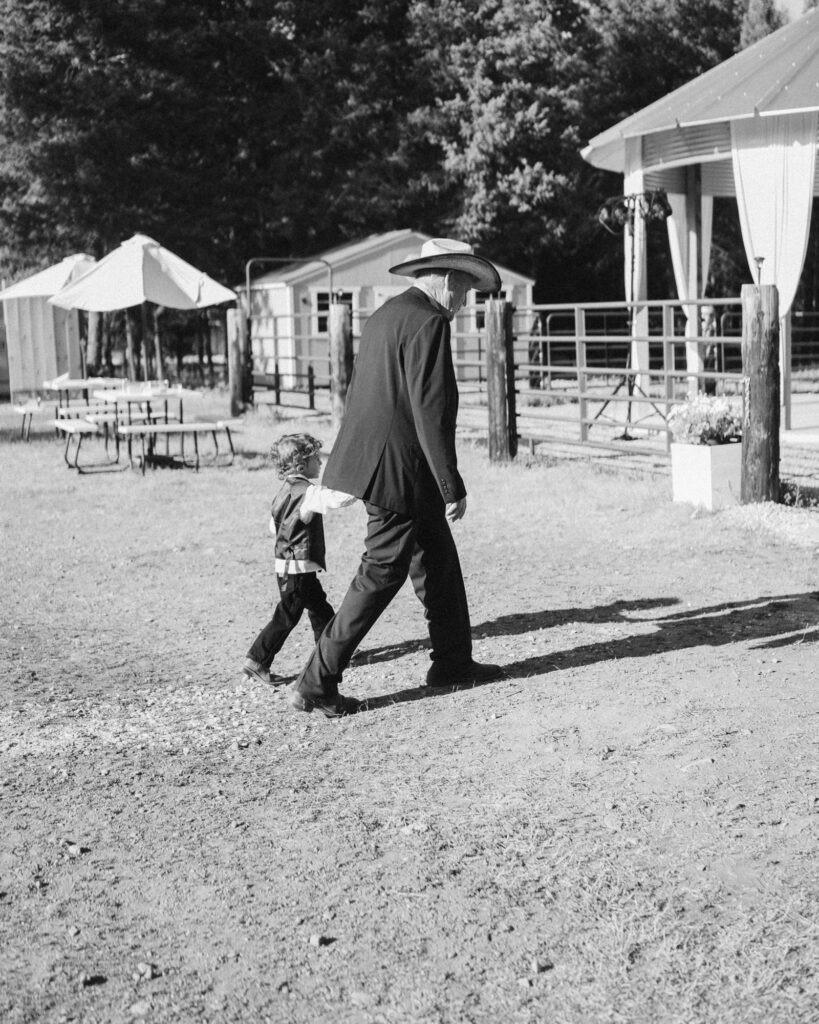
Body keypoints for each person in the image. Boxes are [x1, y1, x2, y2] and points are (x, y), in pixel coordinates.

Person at [289, 238, 504, 718]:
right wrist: (451, 483)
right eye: (466, 287)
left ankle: (453, 662)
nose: (467, 299)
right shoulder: (428, 321)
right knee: (380, 572)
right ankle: (317, 681)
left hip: (385, 463)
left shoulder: (387, 314)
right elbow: (429, 410)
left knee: (439, 565)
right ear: (448, 279)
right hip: (400, 470)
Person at [243, 433, 353, 687]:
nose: (321, 462)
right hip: (297, 565)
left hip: (287, 564)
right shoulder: (309, 493)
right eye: (317, 458)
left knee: (318, 607)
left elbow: (274, 527)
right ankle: (257, 659)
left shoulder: (283, 493)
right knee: (287, 616)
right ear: (302, 465)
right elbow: (340, 499)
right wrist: (362, 488)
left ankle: (331, 651)